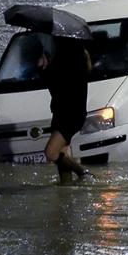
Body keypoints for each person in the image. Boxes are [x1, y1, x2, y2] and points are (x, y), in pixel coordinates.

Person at [42, 36, 92, 181]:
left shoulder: (70, 61)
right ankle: (66, 192)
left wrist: (45, 68)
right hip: (63, 113)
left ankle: (84, 173)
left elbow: (60, 86)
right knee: (63, 157)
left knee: (51, 153)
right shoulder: (77, 57)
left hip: (69, 115)